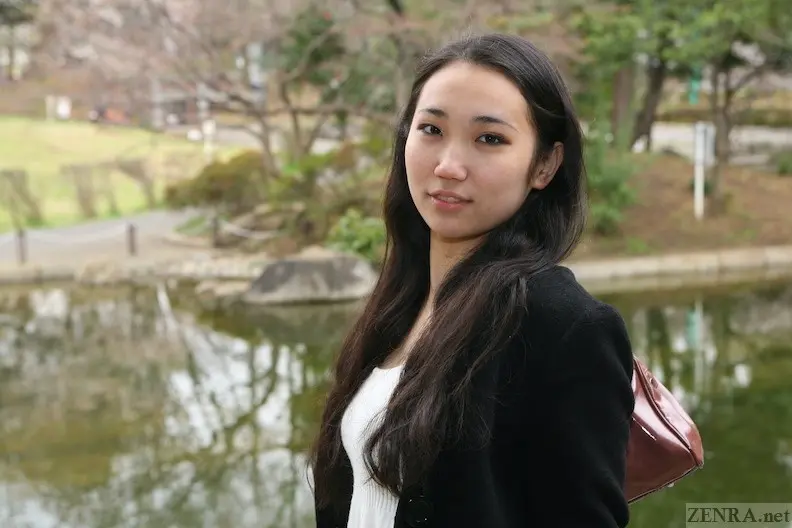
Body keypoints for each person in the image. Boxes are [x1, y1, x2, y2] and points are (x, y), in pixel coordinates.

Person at [309, 33, 635, 528]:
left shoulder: (563, 325)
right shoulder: (402, 302)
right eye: (431, 129)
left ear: (545, 164)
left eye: (489, 139)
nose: (447, 166)